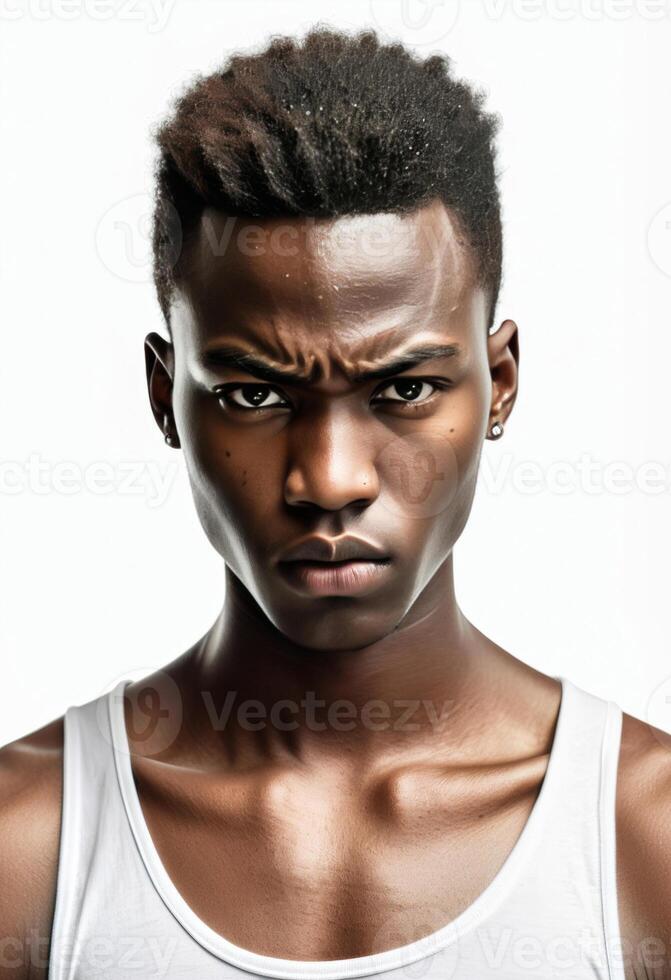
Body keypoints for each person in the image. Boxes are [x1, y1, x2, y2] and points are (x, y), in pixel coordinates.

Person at [1, 25, 669, 980]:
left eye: (402, 389)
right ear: (164, 398)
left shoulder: (643, 836)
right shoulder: (30, 848)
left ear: (501, 382)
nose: (328, 481)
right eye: (254, 394)